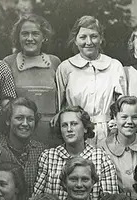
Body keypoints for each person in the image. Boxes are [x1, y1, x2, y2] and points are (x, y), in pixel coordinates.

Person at [56, 15, 126, 146]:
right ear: (75, 40)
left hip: (108, 133)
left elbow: (123, 105)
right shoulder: (65, 68)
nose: (89, 42)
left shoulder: (114, 66)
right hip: (75, 133)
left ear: (101, 39)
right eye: (83, 37)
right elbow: (60, 108)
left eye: (94, 36)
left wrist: (116, 125)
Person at [33, 106, 118, 199]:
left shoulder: (102, 158)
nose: (69, 129)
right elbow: (36, 197)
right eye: (64, 125)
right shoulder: (48, 157)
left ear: (85, 128)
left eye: (74, 124)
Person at [4, 15, 61, 147]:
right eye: (25, 34)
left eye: (35, 33)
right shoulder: (9, 62)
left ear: (44, 37)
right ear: (18, 37)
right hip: (21, 131)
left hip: (50, 132)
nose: (30, 38)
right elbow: (5, 101)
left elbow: (62, 99)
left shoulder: (55, 62)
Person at [0, 97, 47, 195]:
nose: (25, 123)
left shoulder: (43, 151)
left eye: (30, 119)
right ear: (8, 121)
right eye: (19, 118)